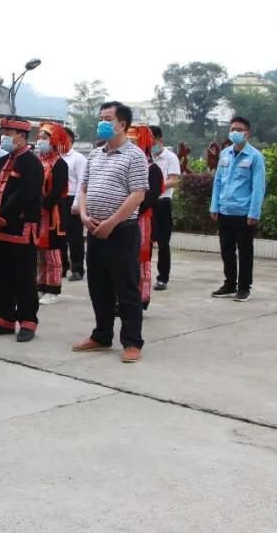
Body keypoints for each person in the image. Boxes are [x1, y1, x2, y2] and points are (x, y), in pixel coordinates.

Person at [72, 102, 149, 364]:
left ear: (122, 124)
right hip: (93, 228)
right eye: (101, 118)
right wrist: (84, 215)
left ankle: (132, 341)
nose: (102, 123)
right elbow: (83, 189)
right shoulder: (95, 155)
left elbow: (138, 194)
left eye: (107, 118)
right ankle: (102, 335)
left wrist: (112, 222)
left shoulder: (135, 155)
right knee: (98, 286)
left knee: (126, 287)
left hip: (122, 232)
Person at [0, 116, 44, 341]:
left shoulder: (31, 162)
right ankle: (3, 319)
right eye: (3, 132)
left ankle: (27, 321)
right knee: (1, 274)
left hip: (19, 228)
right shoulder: (0, 161)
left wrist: (2, 214)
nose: (5, 136)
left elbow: (28, 194)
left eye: (9, 133)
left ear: (22, 136)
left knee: (24, 277)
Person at [210, 115, 266, 302]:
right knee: (226, 250)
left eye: (239, 129)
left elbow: (258, 187)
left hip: (244, 213)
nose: (235, 132)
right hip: (225, 210)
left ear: (247, 133)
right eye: (232, 129)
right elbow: (218, 181)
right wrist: (214, 205)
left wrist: (254, 212)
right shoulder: (225, 153)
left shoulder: (255, 156)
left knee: (244, 252)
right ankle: (229, 283)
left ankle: (244, 288)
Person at [129, 126, 164, 311]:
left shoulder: (153, 170)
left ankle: (141, 298)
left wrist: (127, 209)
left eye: (133, 142)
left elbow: (148, 198)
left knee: (142, 260)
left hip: (141, 220)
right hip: (124, 219)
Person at [35, 122, 69, 306]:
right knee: (40, 252)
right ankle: (41, 285)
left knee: (53, 252)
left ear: (54, 141)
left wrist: (42, 206)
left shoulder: (60, 164)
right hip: (38, 212)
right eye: (39, 137)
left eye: (44, 138)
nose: (40, 141)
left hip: (53, 213)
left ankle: (53, 289)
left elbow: (57, 191)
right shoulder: (38, 160)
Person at [148, 125, 181, 291]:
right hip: (145, 203)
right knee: (144, 241)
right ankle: (142, 273)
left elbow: (174, 180)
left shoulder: (170, 157)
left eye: (153, 140)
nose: (150, 144)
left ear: (161, 140)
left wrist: (154, 187)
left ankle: (162, 277)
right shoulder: (144, 156)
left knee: (162, 243)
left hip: (162, 202)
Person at [60, 127, 87, 282]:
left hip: (72, 198)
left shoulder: (78, 158)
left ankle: (77, 269)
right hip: (59, 199)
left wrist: (77, 203)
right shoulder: (57, 157)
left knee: (75, 237)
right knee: (59, 236)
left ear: (70, 140)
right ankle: (62, 267)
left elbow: (82, 183)